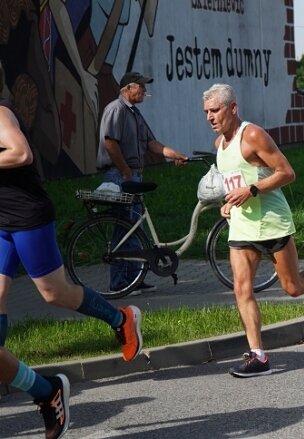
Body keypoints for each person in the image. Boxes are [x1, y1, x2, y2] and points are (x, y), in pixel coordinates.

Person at [1, 96, 142, 439]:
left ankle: (120, 318)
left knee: (54, 293)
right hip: (1, 222)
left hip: (27, 218)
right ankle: (35, 387)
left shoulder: (0, 112)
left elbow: (21, 153)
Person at [202, 83, 304, 377]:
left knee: (292, 288)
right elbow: (235, 184)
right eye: (206, 112)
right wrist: (229, 204)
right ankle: (258, 356)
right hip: (242, 228)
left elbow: (287, 173)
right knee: (242, 289)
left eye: (215, 111)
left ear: (233, 108)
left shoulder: (252, 135)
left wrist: (252, 190)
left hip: (273, 224)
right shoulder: (219, 146)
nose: (210, 117)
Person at [95, 72, 189, 295]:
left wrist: (173, 154)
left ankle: (135, 278)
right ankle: (120, 283)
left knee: (136, 227)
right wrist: (126, 172)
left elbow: (152, 143)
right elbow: (110, 143)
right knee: (125, 228)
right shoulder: (115, 110)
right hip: (120, 175)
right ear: (128, 88)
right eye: (142, 87)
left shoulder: (134, 114)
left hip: (131, 175)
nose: (145, 91)